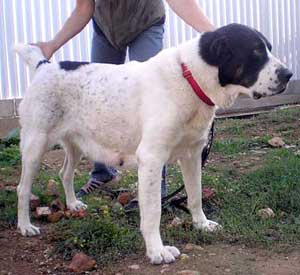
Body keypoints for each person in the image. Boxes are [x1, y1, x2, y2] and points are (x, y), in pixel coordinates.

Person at [36, 0, 215, 203]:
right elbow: (83, 8)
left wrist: (212, 33)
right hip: (106, 29)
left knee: (155, 104)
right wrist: (52, 44)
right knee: (98, 99)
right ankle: (102, 173)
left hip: (146, 23)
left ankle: (155, 191)